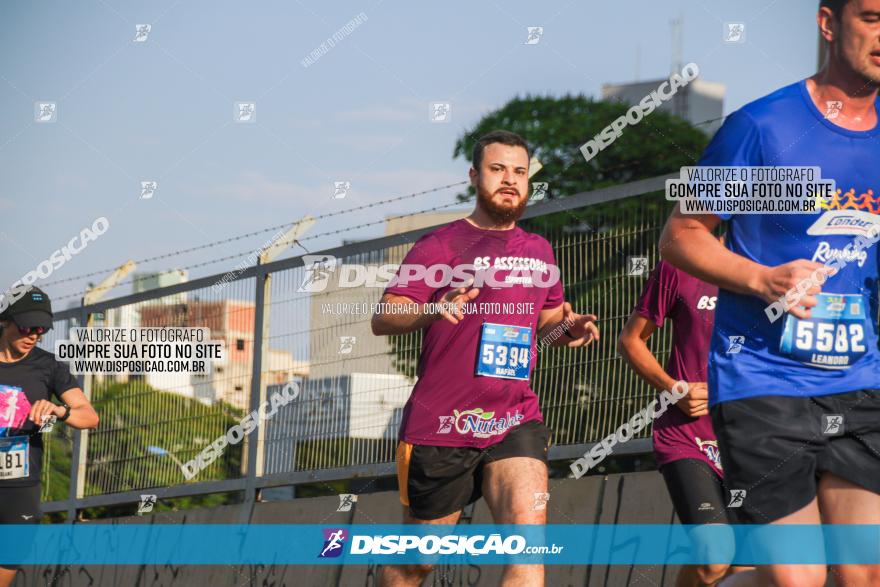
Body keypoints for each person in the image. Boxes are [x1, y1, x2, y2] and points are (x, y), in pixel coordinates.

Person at [659, 1, 880, 585]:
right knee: (798, 578)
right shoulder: (765, 128)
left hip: (857, 379)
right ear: (829, 23)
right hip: (764, 379)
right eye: (874, 17)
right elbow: (681, 235)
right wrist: (764, 279)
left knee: (866, 572)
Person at [372, 130, 599, 586]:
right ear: (475, 176)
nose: (510, 181)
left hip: (515, 419)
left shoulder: (540, 251)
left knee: (527, 557)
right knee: (416, 564)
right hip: (444, 426)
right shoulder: (440, 245)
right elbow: (385, 316)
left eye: (519, 172)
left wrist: (567, 329)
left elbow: (547, 322)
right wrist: (436, 307)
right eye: (498, 170)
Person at [619, 252, 750, 586]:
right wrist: (673, 388)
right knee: (714, 557)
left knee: (748, 569)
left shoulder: (773, 267)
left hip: (750, 438)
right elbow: (631, 339)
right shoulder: (679, 264)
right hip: (686, 436)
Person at [0, 287, 99, 587]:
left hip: (19, 486)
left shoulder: (48, 366)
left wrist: (60, 411)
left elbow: (89, 416)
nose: (34, 335)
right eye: (28, 326)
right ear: (6, 321)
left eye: (41, 329)